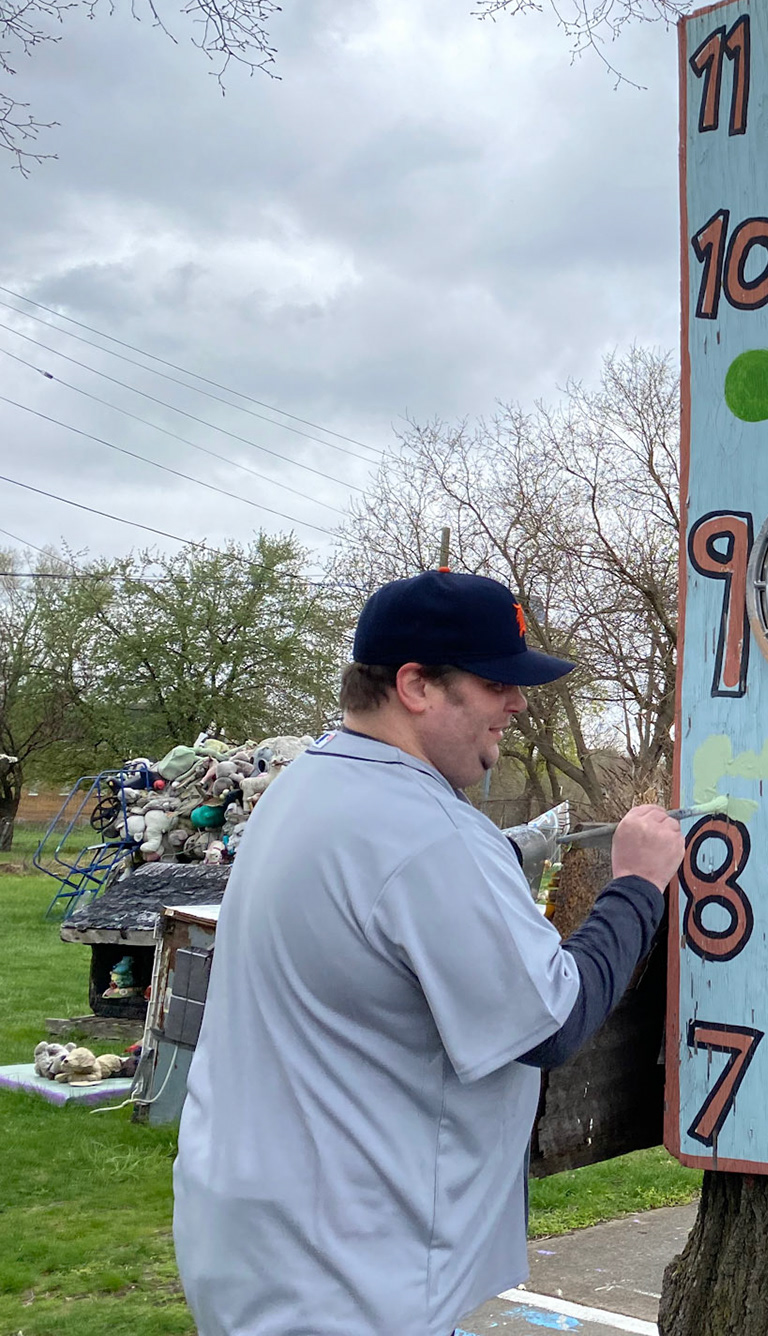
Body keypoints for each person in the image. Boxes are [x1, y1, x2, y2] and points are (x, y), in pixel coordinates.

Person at [174, 570, 685, 1336]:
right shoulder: (427, 833)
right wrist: (639, 884)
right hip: (351, 1274)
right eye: (494, 682)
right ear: (415, 685)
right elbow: (553, 1021)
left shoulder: (308, 787)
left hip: (256, 1240)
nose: (516, 704)